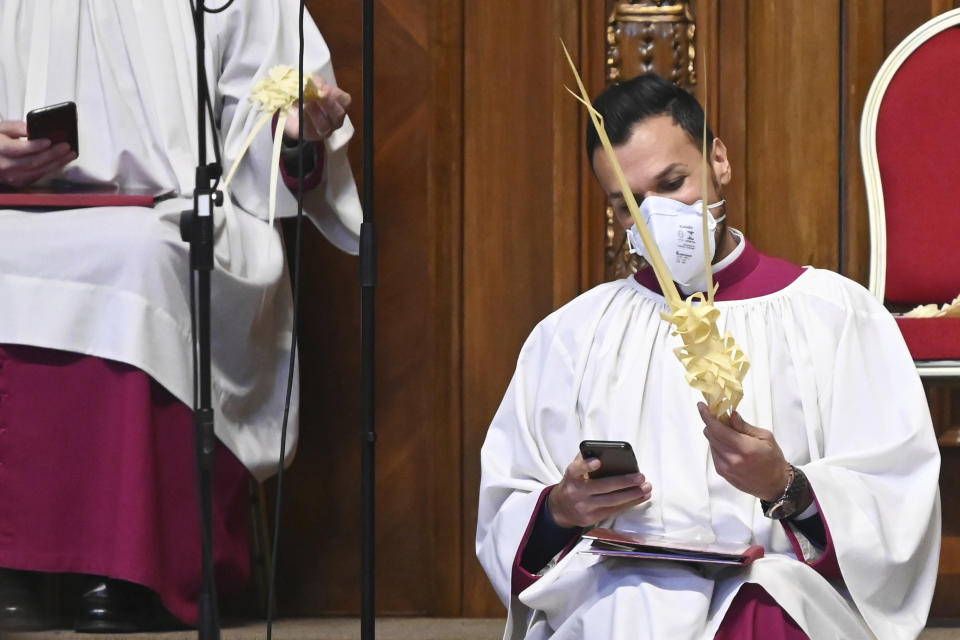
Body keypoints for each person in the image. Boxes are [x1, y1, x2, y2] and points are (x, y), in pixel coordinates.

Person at [476, 74, 941, 639]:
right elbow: (508, 505)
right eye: (627, 207)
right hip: (622, 594)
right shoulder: (574, 335)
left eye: (673, 183)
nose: (653, 218)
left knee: (765, 604)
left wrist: (787, 487)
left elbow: (896, 496)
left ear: (718, 159)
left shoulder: (837, 314)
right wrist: (562, 508)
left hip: (781, 593)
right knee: (632, 611)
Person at [0, 0, 360, 632]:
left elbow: (266, 115)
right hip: (14, 210)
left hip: (176, 213)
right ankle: (11, 567)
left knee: (138, 255)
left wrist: (293, 133)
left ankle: (130, 567)